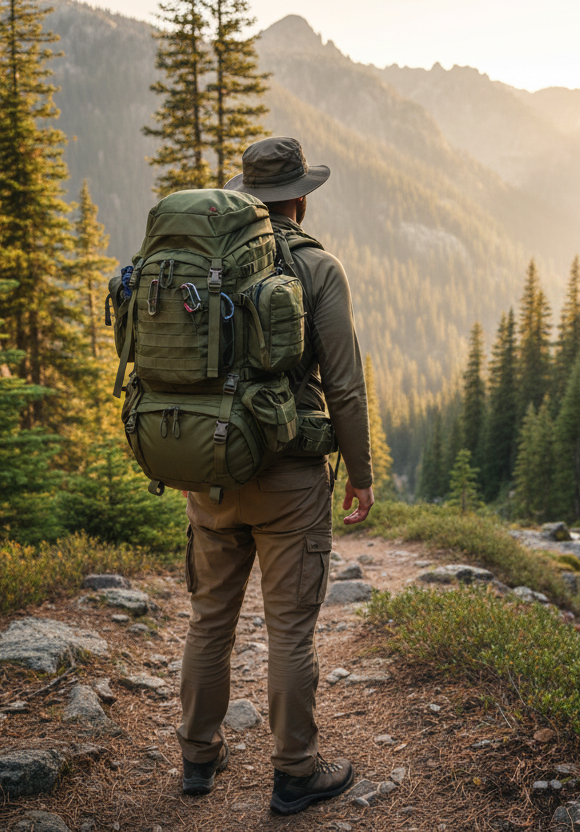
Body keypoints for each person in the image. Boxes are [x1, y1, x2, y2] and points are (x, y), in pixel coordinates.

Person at [176, 136, 375, 815]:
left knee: (209, 620)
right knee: (289, 630)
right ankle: (295, 772)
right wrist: (361, 472)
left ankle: (198, 758)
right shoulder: (318, 268)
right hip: (290, 478)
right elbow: (344, 388)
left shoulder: (207, 263)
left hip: (211, 470)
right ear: (299, 197)